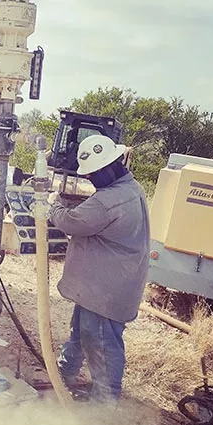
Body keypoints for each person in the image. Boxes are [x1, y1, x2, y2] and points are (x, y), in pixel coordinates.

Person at [46, 134, 150, 404]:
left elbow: (72, 222)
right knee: (81, 332)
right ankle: (64, 373)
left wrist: (53, 205)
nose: (90, 179)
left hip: (106, 290)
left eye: (93, 174)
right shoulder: (130, 189)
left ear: (110, 167)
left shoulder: (110, 200)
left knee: (101, 343)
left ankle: (104, 405)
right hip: (102, 285)